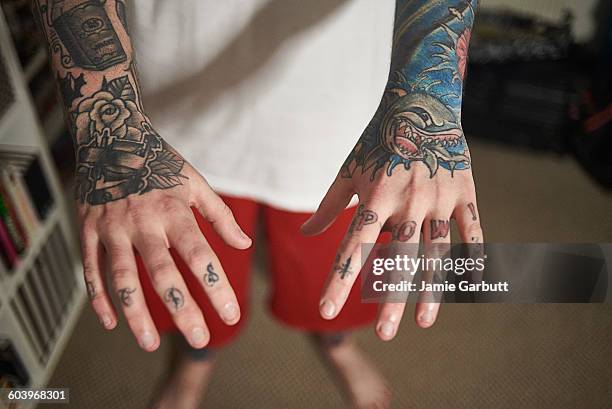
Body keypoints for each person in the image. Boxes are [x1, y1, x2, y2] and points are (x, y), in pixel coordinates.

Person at [32, 0, 483, 407]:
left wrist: (429, 94)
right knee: (192, 279)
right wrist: (105, 123)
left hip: (344, 109)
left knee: (332, 277)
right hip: (171, 105)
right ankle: (196, 356)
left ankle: (335, 341)